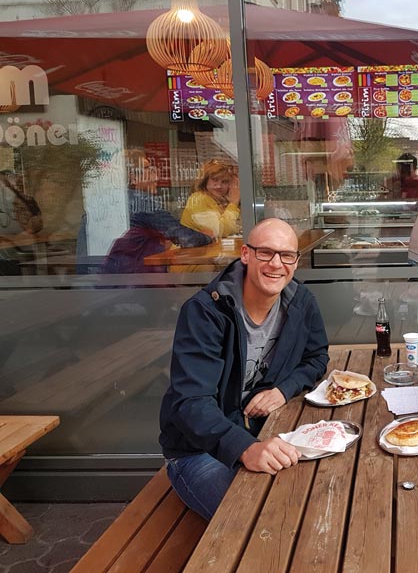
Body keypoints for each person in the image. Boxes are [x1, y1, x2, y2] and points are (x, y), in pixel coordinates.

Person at [159, 218, 330, 520]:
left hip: (264, 431)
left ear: (296, 261)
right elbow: (191, 403)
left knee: (317, 496)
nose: (276, 264)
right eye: (265, 253)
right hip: (198, 452)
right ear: (246, 254)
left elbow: (316, 358)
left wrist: (282, 390)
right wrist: (246, 448)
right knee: (258, 518)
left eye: (286, 255)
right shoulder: (207, 311)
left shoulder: (300, 301)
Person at [101, 151, 212, 274]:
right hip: (135, 277)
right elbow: (182, 236)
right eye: (149, 169)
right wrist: (208, 238)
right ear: (134, 178)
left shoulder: (115, 200)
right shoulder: (142, 202)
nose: (156, 175)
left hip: (118, 272)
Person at [181, 159, 242, 239]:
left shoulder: (222, 201)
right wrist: (234, 203)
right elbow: (218, 232)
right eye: (215, 180)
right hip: (191, 251)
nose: (219, 185)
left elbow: (239, 227)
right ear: (205, 181)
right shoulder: (198, 199)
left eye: (224, 182)